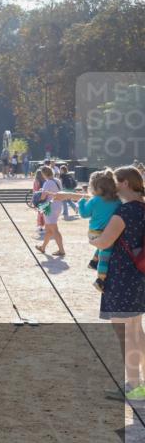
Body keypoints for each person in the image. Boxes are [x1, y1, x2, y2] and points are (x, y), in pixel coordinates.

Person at [87, 165, 145, 401]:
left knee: (125, 334)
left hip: (121, 278)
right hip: (139, 276)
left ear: (125, 184)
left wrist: (92, 239)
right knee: (136, 331)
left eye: (116, 181)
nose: (113, 185)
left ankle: (134, 387)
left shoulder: (124, 212)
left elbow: (104, 242)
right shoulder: (142, 207)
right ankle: (139, 384)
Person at [52, 170, 121, 292]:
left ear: (97, 188)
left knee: (104, 249)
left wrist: (82, 202)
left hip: (94, 233)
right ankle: (99, 275)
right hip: (107, 232)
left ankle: (97, 269)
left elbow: (84, 214)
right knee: (105, 254)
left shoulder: (95, 200)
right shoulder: (117, 200)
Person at [34, 166, 65, 257]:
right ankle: (43, 247)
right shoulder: (57, 181)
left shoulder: (47, 183)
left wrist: (38, 198)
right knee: (48, 230)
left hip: (50, 207)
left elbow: (43, 197)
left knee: (54, 230)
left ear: (44, 174)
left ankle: (61, 250)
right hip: (58, 205)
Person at [32, 168, 46, 239]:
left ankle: (40, 226)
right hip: (44, 198)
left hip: (38, 199)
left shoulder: (36, 181)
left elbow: (34, 191)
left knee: (40, 213)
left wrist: (33, 200)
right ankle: (44, 226)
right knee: (44, 213)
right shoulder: (45, 181)